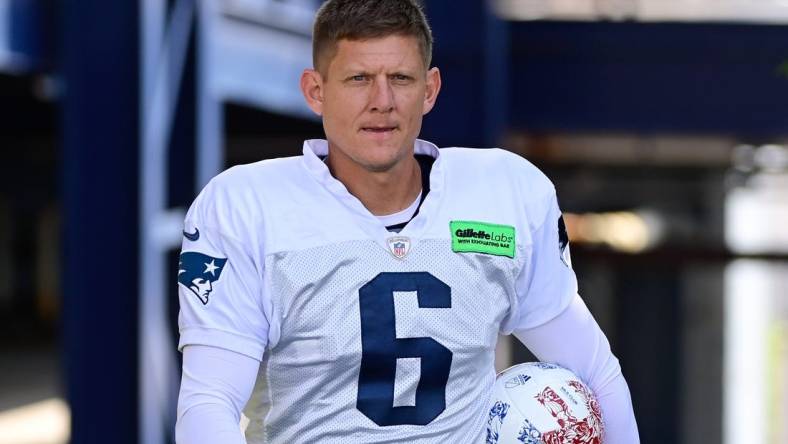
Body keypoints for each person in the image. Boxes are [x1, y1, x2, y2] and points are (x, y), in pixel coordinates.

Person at [175, 0, 640, 443]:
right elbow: (209, 400)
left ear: (430, 89)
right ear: (316, 91)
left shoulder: (506, 192)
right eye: (359, 78)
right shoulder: (245, 207)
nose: (382, 100)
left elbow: (595, 373)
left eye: (400, 77)